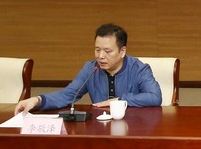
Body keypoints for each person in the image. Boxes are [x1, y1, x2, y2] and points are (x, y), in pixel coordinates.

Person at [14, 23, 161, 114]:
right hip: (100, 129)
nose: (101, 56)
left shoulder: (138, 69)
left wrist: (119, 100)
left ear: (122, 51)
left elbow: (155, 97)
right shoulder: (91, 69)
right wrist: (37, 100)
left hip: (134, 128)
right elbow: (68, 95)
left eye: (107, 51)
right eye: (97, 50)